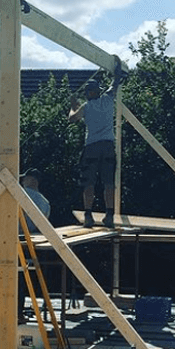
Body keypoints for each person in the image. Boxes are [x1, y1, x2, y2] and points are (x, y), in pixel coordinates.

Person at [68, 56, 123, 228]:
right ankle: (109, 216)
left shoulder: (85, 107)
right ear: (97, 91)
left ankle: (89, 215)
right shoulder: (107, 99)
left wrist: (73, 105)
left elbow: (72, 119)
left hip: (91, 147)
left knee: (88, 183)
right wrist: (118, 65)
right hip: (107, 146)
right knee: (109, 183)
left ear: (87, 93)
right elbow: (116, 82)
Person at [18, 168, 50, 323]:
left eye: (24, 178)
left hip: (10, 241)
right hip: (32, 245)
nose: (22, 181)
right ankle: (25, 311)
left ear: (32, 180)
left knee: (15, 279)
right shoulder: (45, 202)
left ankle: (16, 312)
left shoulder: (18, 193)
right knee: (24, 279)